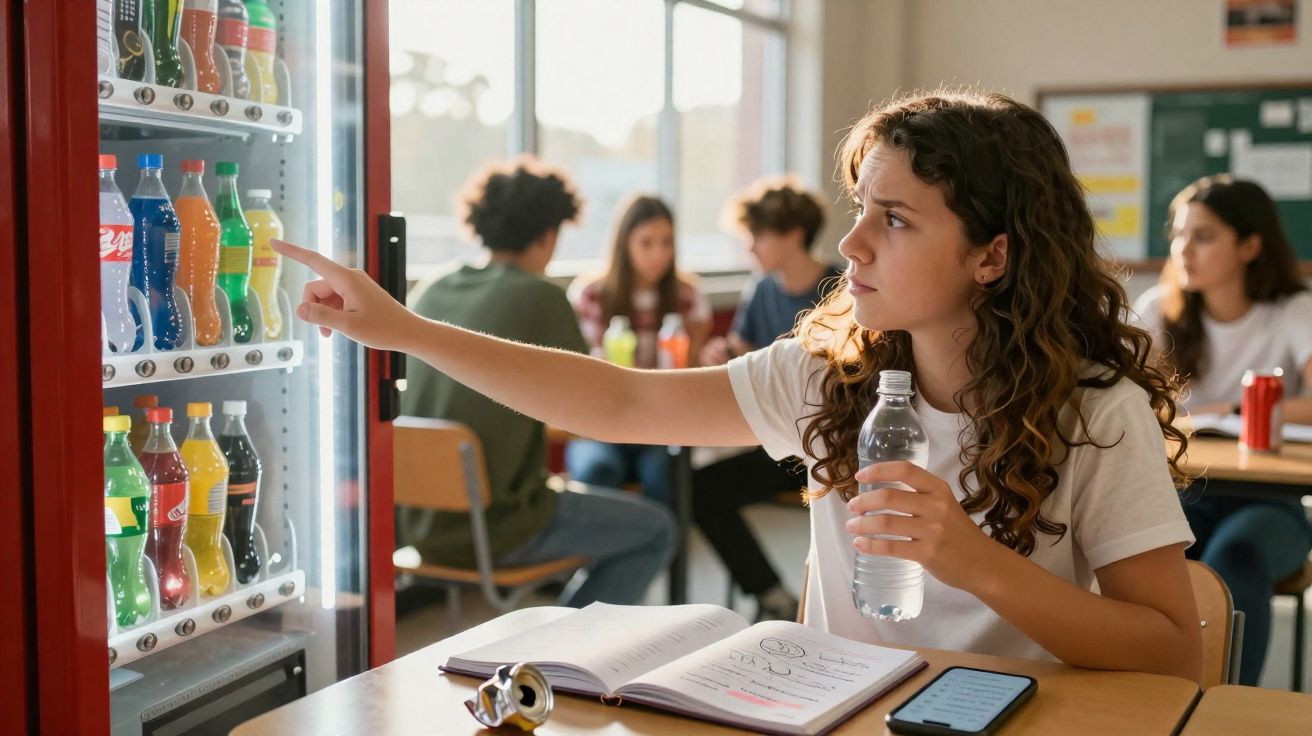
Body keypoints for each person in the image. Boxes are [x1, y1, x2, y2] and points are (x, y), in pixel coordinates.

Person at [273, 90, 1203, 680]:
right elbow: (618, 401)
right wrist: (399, 328)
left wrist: (970, 561)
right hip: (838, 708)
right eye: (858, 213)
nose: (851, 247)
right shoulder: (826, 374)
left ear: (992, 254)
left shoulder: (1096, 411)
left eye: (895, 220)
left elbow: (1174, 651)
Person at [396, 158, 676, 608]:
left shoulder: (433, 288)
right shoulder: (541, 297)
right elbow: (593, 409)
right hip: (502, 525)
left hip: (418, 525)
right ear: (549, 235)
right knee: (656, 529)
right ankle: (563, 650)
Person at [1133, 175, 1312, 685]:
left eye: (1204, 236)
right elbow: (1126, 400)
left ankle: (1227, 707)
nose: (1183, 250)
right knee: (1149, 552)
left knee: (1237, 555)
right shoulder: (1156, 310)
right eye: (1179, 235)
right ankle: (1157, 694)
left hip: (1273, 504)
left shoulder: (1293, 311)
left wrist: (1232, 406)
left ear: (1250, 246)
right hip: (1187, 490)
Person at [695, 176, 843, 621]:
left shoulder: (841, 289)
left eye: (758, 236)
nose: (751, 247)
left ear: (793, 235)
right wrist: (723, 353)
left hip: (827, 444)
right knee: (699, 490)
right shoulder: (761, 289)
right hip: (777, 442)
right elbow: (744, 351)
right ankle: (771, 593)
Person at [565, 194, 711, 505]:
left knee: (665, 474)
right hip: (600, 425)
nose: (658, 254)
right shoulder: (590, 295)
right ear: (624, 243)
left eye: (666, 242)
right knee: (597, 471)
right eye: (646, 243)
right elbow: (578, 371)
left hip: (662, 429)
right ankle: (610, 555)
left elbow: (696, 370)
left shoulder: (689, 297)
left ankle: (669, 554)